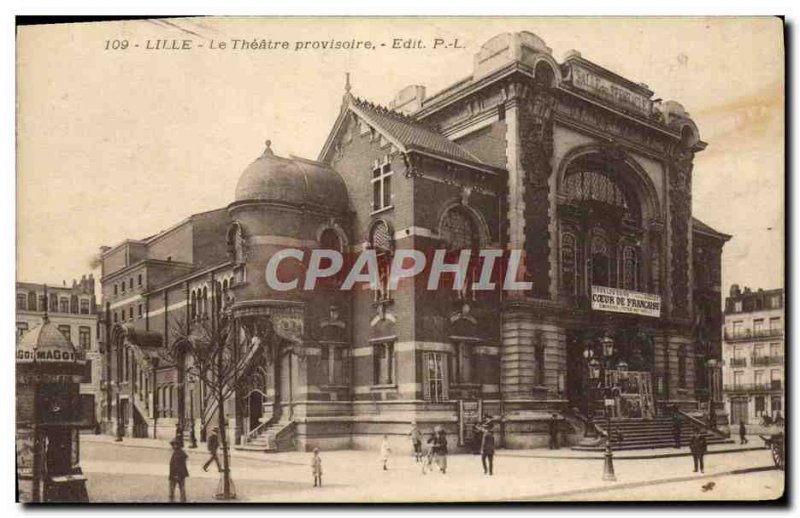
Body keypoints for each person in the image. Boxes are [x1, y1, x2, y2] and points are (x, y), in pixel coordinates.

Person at [168, 438, 188, 503]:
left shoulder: (177, 454)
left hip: (176, 474)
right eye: (172, 445)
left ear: (177, 445)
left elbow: (177, 466)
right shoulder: (180, 453)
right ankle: (183, 500)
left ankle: (172, 500)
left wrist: (176, 475)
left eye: (174, 445)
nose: (172, 446)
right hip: (181, 474)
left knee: (172, 488)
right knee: (182, 488)